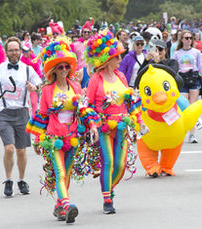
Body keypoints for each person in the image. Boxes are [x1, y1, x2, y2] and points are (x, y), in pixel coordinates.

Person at [26, 39, 99, 223]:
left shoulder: (75, 86)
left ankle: (60, 206)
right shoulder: (48, 90)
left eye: (67, 66)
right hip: (54, 138)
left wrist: (92, 126)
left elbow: (83, 109)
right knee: (60, 172)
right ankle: (67, 205)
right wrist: (36, 139)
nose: (64, 69)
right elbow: (42, 116)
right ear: (54, 70)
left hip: (73, 137)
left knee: (67, 172)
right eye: (60, 67)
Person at [85, 29, 145, 214]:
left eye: (120, 55)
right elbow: (87, 106)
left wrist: (139, 121)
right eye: (117, 56)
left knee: (120, 165)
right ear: (107, 59)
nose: (120, 59)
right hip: (103, 126)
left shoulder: (121, 76)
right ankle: (107, 200)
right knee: (108, 162)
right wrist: (93, 125)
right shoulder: (95, 79)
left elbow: (130, 99)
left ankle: (109, 189)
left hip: (121, 126)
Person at [0, 36, 42, 197]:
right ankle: (8, 180)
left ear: (20, 51)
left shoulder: (27, 69)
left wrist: (34, 87)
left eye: (16, 50)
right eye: (11, 50)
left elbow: (40, 84)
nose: (14, 53)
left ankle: (21, 180)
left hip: (22, 112)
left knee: (21, 151)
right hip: (3, 113)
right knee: (9, 148)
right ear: (6, 52)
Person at [172, 30, 202, 143]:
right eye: (186, 38)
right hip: (182, 80)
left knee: (192, 107)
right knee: (184, 107)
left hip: (194, 80)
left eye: (190, 38)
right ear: (182, 39)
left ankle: (192, 134)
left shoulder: (196, 52)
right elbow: (173, 70)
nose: (189, 40)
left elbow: (201, 68)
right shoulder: (177, 53)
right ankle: (182, 132)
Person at [20, 41, 43, 115]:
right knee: (25, 104)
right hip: (24, 84)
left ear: (30, 51)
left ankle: (34, 119)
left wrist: (38, 84)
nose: (25, 53)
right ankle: (26, 119)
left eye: (26, 51)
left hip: (33, 84)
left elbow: (38, 71)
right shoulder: (21, 61)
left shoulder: (35, 60)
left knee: (33, 103)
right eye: (23, 51)